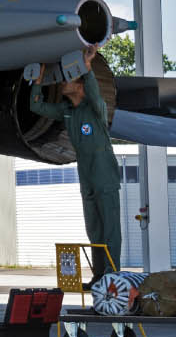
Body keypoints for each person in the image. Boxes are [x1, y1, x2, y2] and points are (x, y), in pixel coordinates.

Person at [29, 46, 122, 277]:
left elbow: (94, 92)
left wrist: (88, 67)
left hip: (103, 172)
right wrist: (38, 82)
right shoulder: (67, 111)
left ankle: (112, 274)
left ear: (80, 86)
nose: (63, 83)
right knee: (94, 228)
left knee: (110, 228)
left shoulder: (96, 110)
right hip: (86, 172)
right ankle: (100, 275)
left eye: (69, 80)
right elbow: (36, 106)